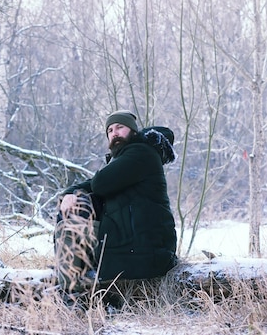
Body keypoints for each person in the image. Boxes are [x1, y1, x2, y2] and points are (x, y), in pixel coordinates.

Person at [55, 110, 178, 293]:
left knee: (68, 229)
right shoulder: (127, 159)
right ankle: (79, 283)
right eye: (110, 130)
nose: (115, 133)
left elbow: (100, 183)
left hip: (144, 245)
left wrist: (77, 195)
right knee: (76, 216)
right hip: (131, 239)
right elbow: (94, 184)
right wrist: (70, 193)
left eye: (120, 127)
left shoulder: (140, 152)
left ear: (134, 132)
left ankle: (70, 296)